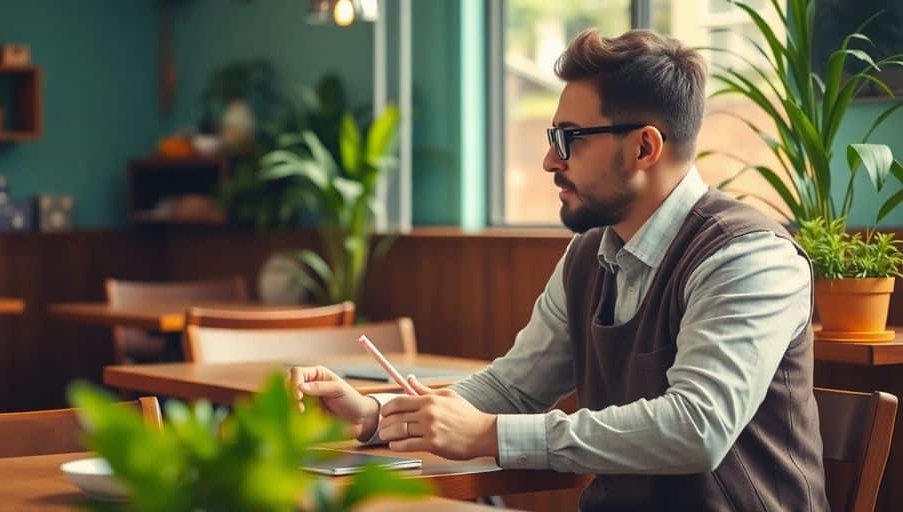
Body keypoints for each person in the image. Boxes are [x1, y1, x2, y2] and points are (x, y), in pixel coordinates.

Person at [290, 28, 828, 511]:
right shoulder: (590, 253)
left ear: (645, 146)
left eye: (568, 139)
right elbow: (514, 388)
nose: (550, 161)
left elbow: (697, 427)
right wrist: (375, 416)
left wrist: (490, 436)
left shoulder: (748, 257)